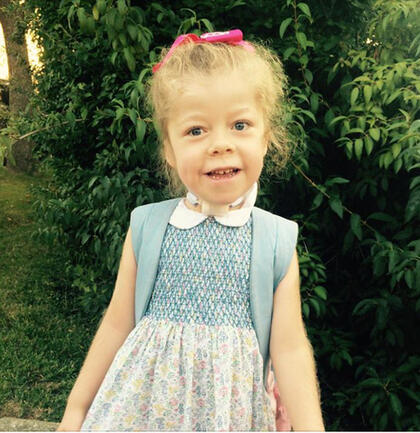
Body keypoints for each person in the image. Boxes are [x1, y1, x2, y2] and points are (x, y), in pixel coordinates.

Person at [57, 29, 324, 431]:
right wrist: (76, 409)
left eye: (240, 125)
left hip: (228, 417)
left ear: (266, 139)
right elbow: (117, 323)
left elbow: (288, 349)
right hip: (142, 413)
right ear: (168, 148)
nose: (220, 144)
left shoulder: (276, 239)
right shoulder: (147, 226)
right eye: (196, 131)